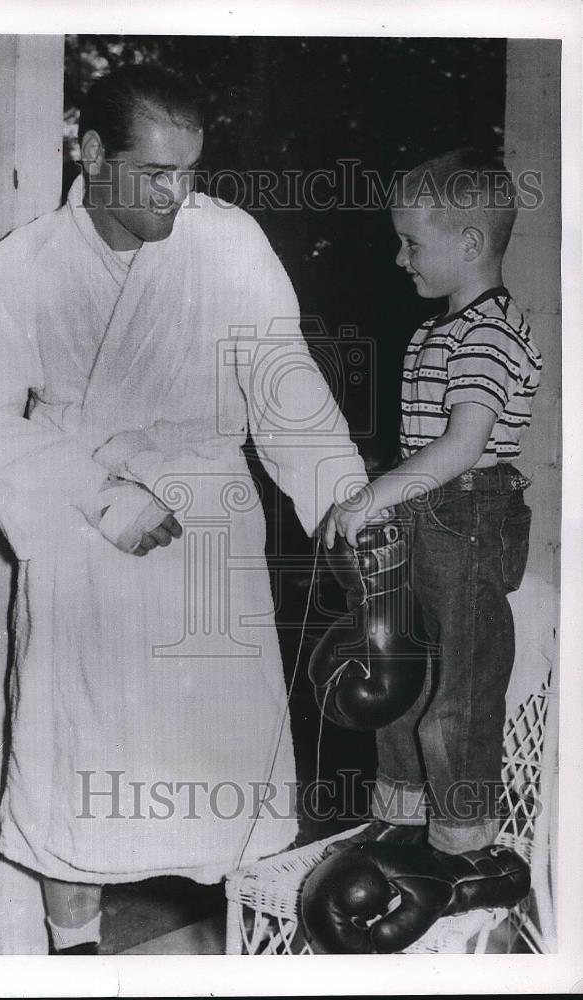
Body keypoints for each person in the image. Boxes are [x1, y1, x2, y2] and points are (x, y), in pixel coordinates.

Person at [0, 64, 366, 953]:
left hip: (210, 535)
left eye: (192, 172)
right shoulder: (22, 268)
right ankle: (77, 958)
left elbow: (281, 381)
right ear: (93, 154)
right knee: (78, 762)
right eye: (157, 174)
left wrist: (344, 499)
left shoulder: (229, 245)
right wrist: (102, 497)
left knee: (229, 768)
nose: (179, 195)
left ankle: (251, 957)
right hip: (83, 533)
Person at [324, 148, 542, 857]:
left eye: (412, 243)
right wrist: (389, 500)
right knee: (402, 682)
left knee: (459, 700)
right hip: (429, 520)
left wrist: (374, 494)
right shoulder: (437, 330)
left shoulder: (486, 332)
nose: (399, 259)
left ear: (470, 243)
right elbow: (427, 454)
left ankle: (466, 845)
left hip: (469, 521)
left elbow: (462, 445)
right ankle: (402, 821)